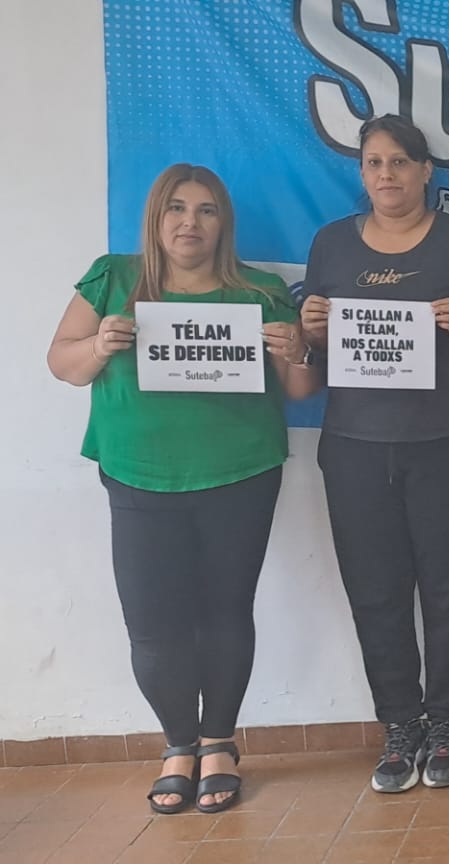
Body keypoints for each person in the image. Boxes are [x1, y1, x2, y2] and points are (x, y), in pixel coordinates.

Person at [47, 164, 319, 814]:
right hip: (137, 474)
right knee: (151, 624)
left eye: (205, 210)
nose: (189, 222)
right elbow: (63, 363)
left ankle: (219, 742)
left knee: (226, 613)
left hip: (241, 473)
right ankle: (178, 744)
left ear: (223, 223)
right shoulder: (113, 278)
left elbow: (301, 389)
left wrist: (298, 350)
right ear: (155, 217)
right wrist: (99, 345)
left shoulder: (260, 291)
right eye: (176, 208)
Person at [299, 115, 449, 792]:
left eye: (398, 161)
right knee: (374, 591)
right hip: (356, 446)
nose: (385, 174)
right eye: (373, 163)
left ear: (425, 171)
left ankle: (444, 723)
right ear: (361, 173)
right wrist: (312, 329)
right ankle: (399, 724)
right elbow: (317, 345)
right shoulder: (331, 244)